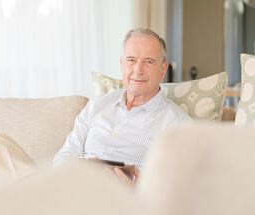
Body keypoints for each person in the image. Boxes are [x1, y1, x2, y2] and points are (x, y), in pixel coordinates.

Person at [53, 28, 191, 183]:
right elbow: (63, 156)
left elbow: (180, 186)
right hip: (78, 189)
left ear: (162, 70)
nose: (138, 70)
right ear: (122, 65)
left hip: (128, 201)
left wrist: (140, 189)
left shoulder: (178, 125)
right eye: (131, 60)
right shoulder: (97, 105)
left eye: (148, 61)